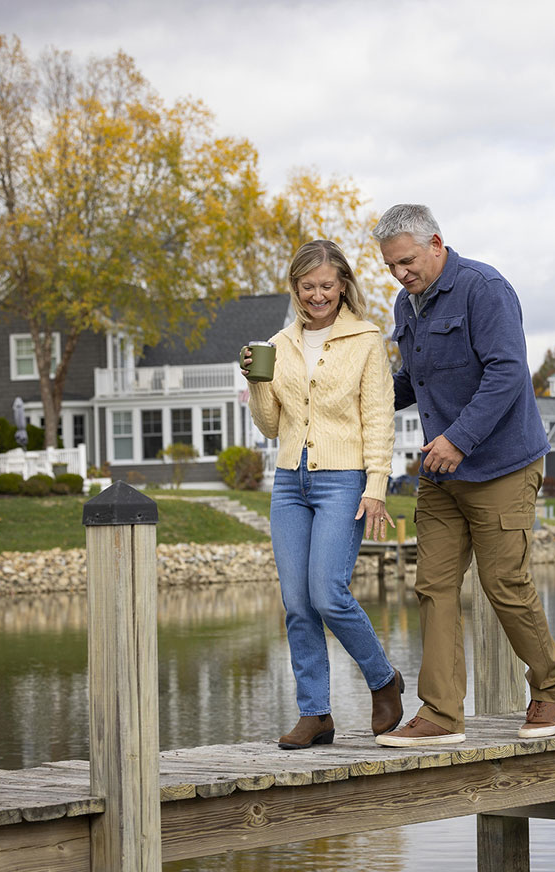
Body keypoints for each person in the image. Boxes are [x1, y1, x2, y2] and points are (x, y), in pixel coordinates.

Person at [371, 205, 555, 748]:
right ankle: (440, 713)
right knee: (432, 586)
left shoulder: (485, 289)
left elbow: (508, 372)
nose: (400, 274)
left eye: (407, 261)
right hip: (441, 474)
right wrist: (354, 398)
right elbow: (410, 383)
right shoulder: (405, 305)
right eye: (391, 266)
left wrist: (460, 438)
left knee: (504, 583)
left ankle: (551, 689)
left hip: (502, 464)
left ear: (436, 243)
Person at [242, 239, 404, 749]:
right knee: (296, 604)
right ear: (295, 289)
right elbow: (270, 426)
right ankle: (316, 714)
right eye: (308, 286)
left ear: (343, 286)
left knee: (327, 594)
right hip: (290, 480)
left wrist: (376, 485)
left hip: (343, 479)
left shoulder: (366, 339)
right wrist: (256, 382)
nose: (318, 295)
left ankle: (383, 679)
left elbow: (378, 416)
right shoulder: (280, 343)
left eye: (327, 286)